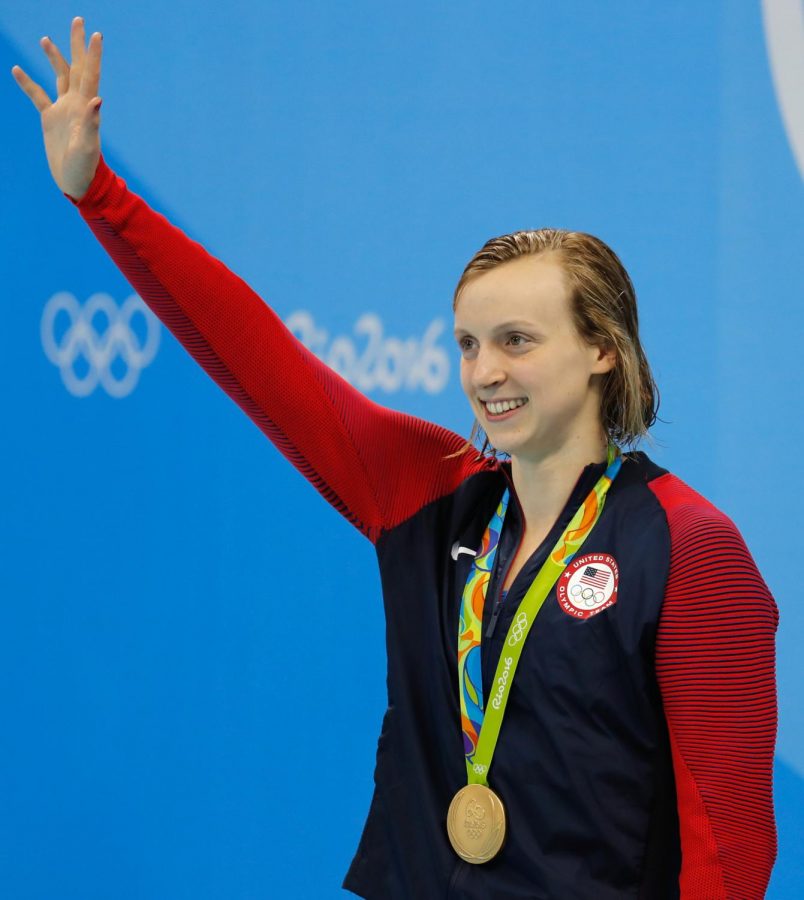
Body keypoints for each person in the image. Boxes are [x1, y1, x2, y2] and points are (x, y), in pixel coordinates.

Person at [12, 17, 779, 899]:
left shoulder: (689, 548)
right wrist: (99, 194)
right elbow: (259, 359)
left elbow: (728, 848)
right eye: (467, 344)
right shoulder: (428, 493)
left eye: (517, 341)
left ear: (603, 348)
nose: (485, 372)